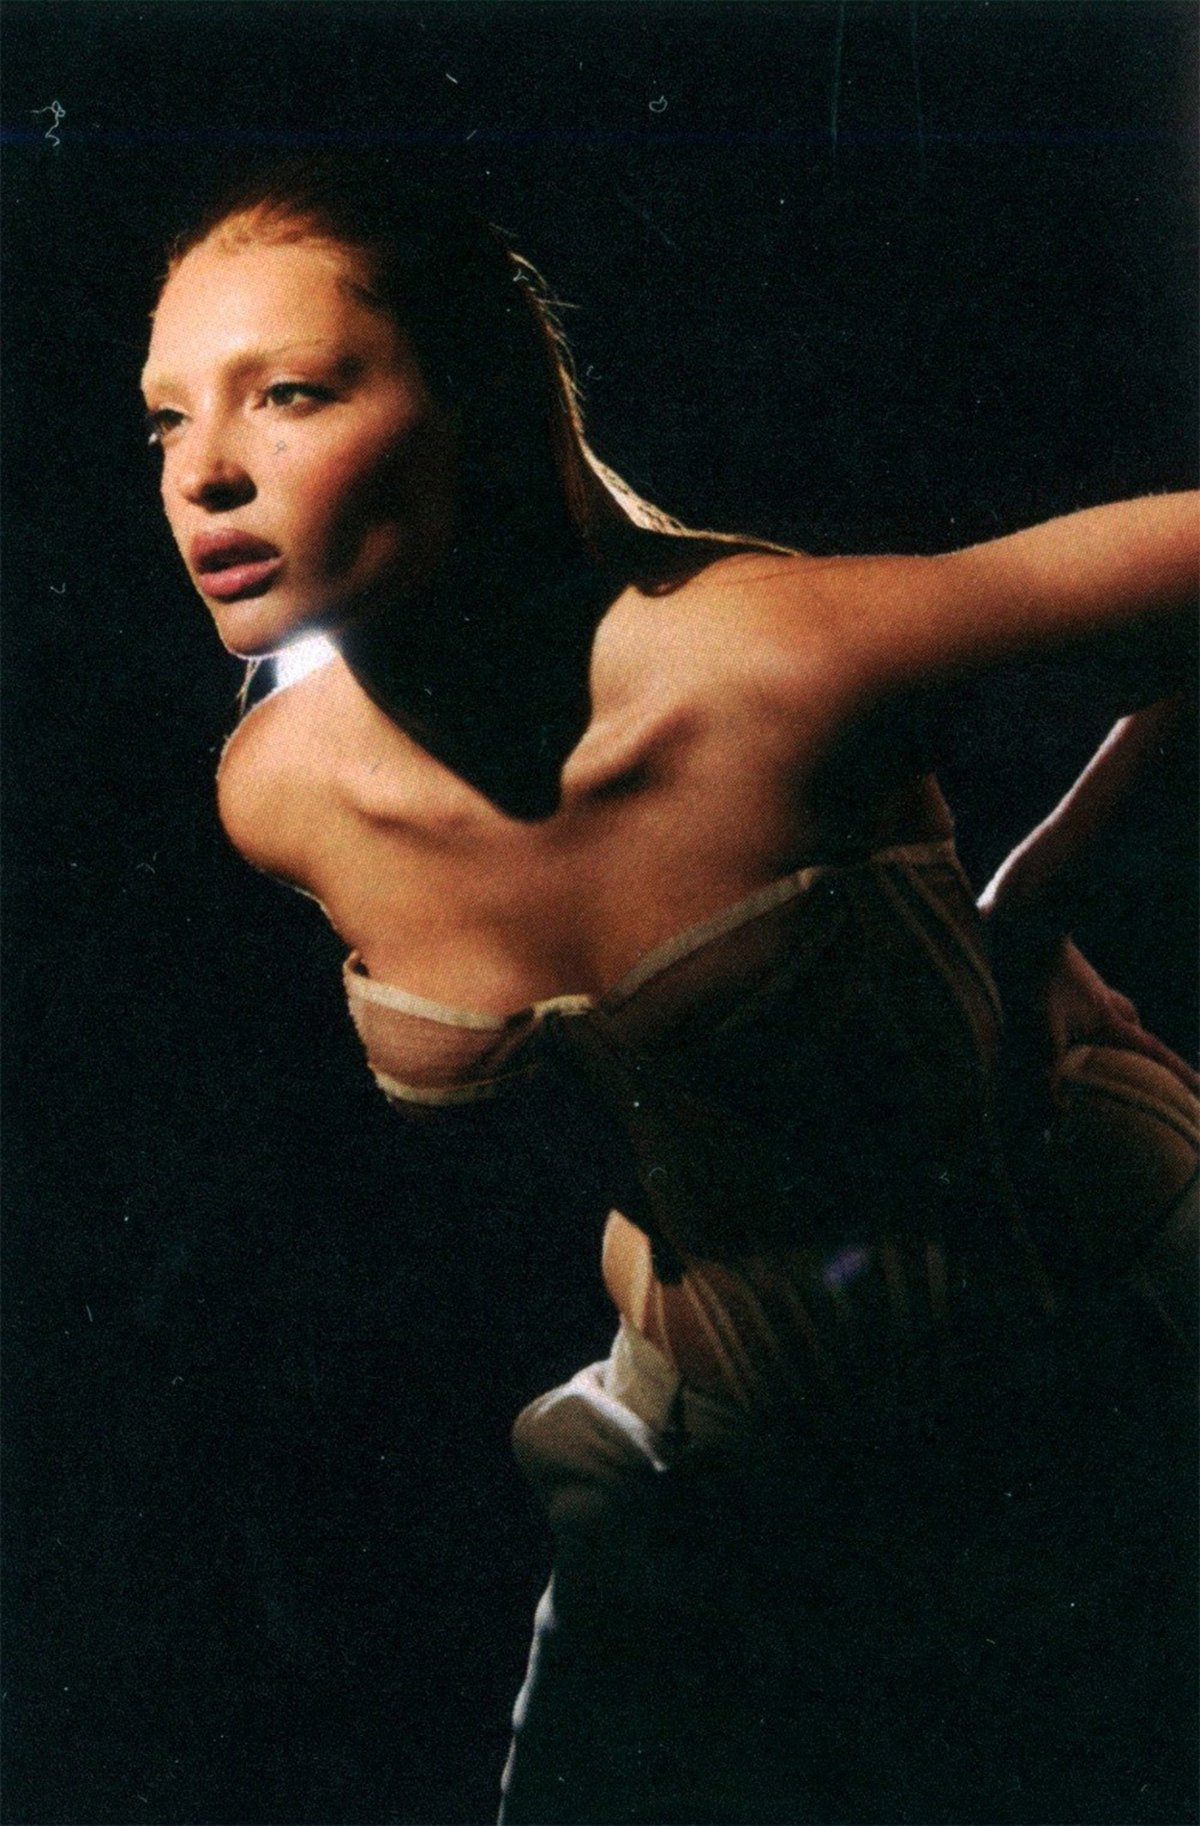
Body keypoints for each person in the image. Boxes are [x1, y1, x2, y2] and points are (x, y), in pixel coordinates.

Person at [141, 158, 1197, 1824]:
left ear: (474, 398)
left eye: (290, 394)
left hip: (1096, 1318)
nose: (203, 471)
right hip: (728, 1426)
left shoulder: (766, 659)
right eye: (166, 419)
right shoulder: (279, 793)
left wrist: (1041, 899)